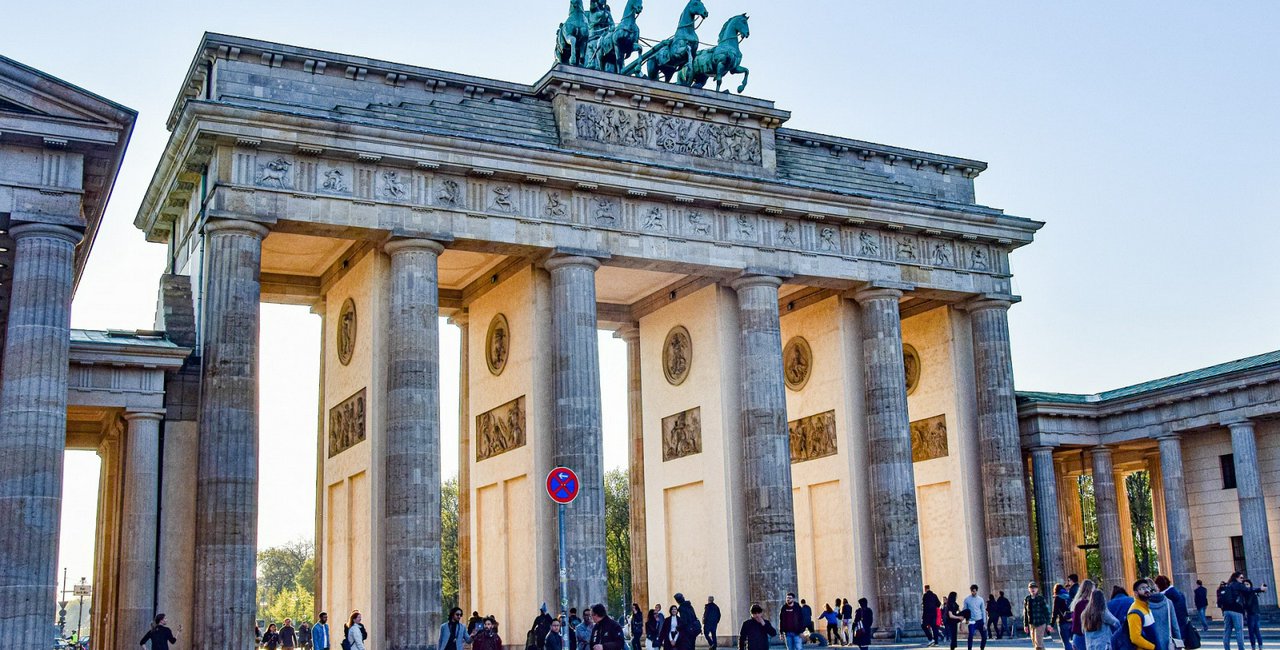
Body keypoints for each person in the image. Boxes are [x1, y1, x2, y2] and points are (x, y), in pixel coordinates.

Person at [1154, 576, 1191, 642]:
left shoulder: (1165, 597)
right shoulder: (1179, 593)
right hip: (1182, 625)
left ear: (1159, 585)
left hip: (1171, 629)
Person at [1126, 580, 1161, 650]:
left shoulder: (1146, 607)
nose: (1147, 590)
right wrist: (1153, 647)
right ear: (1136, 593)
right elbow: (1135, 638)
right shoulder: (1135, 612)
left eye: (1147, 587)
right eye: (1142, 588)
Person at [1220, 573, 1250, 650]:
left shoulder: (1227, 585)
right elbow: (1248, 590)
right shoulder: (1238, 585)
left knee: (1227, 631)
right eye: (1241, 577)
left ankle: (1226, 648)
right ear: (1236, 578)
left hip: (1226, 611)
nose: (1242, 579)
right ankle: (1241, 648)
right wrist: (1260, 589)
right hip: (1236, 610)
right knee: (1239, 631)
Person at [1070, 580, 1099, 650]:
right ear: (1090, 590)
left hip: (1077, 636)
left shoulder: (1077, 602)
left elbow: (1075, 623)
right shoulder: (1087, 604)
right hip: (1085, 636)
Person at [1025, 582, 1053, 650]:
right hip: (1031, 623)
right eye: (1031, 588)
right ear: (1028, 589)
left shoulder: (1040, 598)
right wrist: (1025, 625)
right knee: (1035, 643)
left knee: (1038, 644)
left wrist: (1048, 624)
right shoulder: (1027, 599)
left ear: (1037, 589)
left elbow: (1046, 611)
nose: (1033, 589)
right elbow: (1025, 613)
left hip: (1040, 623)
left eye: (1034, 587)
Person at [1241, 580, 1266, 650]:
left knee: (1252, 631)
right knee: (1256, 631)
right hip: (1255, 613)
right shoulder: (1252, 592)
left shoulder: (1250, 593)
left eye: (1247, 584)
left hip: (1251, 613)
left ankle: (1254, 647)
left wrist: (1244, 607)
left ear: (1250, 585)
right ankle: (1259, 646)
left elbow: (1248, 604)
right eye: (1244, 584)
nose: (1246, 586)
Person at [964, 585, 988, 650]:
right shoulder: (967, 599)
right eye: (972, 591)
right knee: (971, 635)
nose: (973, 593)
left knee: (984, 636)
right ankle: (969, 648)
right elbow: (965, 610)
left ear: (977, 591)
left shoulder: (980, 599)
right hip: (972, 621)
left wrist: (984, 622)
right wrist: (966, 619)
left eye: (974, 591)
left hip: (980, 620)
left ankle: (982, 648)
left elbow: (983, 610)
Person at [1053, 584, 1074, 650]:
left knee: (1066, 642)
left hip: (1062, 622)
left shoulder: (1058, 598)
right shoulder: (1069, 596)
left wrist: (1051, 624)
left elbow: (1055, 611)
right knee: (1073, 642)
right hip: (1071, 621)